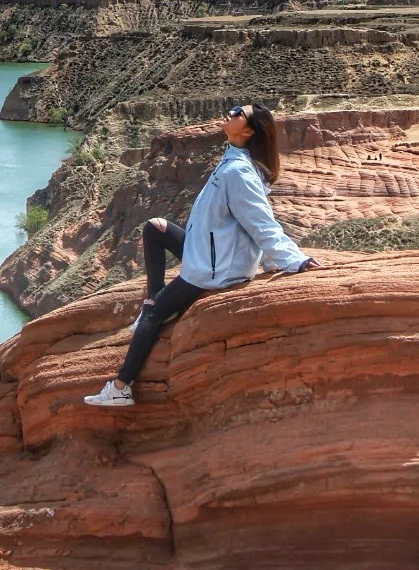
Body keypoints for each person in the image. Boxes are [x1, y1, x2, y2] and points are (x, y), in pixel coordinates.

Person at [85, 102, 320, 408]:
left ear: (248, 130)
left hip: (214, 268)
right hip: (208, 253)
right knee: (155, 228)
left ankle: (121, 386)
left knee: (156, 314)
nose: (231, 112)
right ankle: (151, 300)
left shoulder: (239, 173)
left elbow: (262, 224)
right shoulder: (235, 160)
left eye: (239, 113)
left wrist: (293, 260)